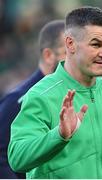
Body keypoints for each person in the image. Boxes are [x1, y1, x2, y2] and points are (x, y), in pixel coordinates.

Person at [8, 7, 102, 179]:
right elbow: (17, 158)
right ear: (70, 44)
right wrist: (59, 136)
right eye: (96, 44)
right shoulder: (41, 94)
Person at [0, 19, 65, 179]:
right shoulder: (17, 101)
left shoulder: (76, 95)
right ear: (49, 55)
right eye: (68, 52)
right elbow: (1, 159)